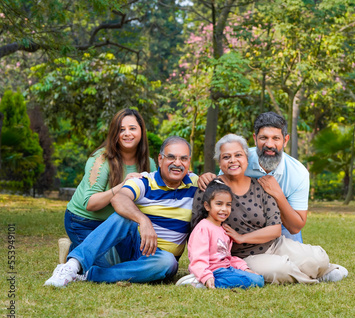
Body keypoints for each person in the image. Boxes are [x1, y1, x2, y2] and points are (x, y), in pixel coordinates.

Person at [44, 136, 198, 287]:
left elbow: (219, 189)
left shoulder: (196, 183)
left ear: (189, 161)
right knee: (123, 217)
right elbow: (119, 198)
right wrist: (144, 220)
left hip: (159, 260)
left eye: (183, 159)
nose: (177, 163)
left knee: (167, 262)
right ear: (160, 159)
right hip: (133, 246)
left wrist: (210, 177)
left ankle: (89, 274)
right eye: (171, 157)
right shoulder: (145, 181)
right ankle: (71, 266)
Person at [193, 134, 347, 284]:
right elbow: (197, 230)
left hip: (274, 244)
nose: (233, 160)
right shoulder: (210, 188)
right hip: (242, 256)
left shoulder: (261, 186)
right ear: (219, 163)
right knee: (281, 269)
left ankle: (321, 268)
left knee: (319, 258)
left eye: (238, 155)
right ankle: (317, 277)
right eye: (226, 157)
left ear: (246, 158)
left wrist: (242, 237)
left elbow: (275, 229)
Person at [64, 108, 156, 266]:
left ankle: (95, 248)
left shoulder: (149, 163)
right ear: (115, 134)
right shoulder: (101, 159)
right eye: (121, 130)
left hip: (118, 224)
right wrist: (122, 186)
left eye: (132, 128)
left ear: (142, 131)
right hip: (83, 221)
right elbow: (90, 203)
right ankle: (74, 248)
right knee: (104, 267)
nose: (127, 133)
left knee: (136, 260)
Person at [199, 112, 307, 243]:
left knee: (298, 258)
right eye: (264, 138)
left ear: (285, 140)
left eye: (276, 138)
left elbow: (295, 227)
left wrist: (278, 194)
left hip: (280, 223)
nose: (269, 144)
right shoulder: (238, 159)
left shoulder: (298, 173)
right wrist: (208, 178)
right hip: (242, 221)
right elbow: (219, 190)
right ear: (255, 139)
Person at [176, 180, 264, 289]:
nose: (224, 209)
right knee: (252, 281)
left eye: (228, 205)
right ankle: (201, 282)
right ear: (207, 206)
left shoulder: (223, 229)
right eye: (219, 204)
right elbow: (198, 258)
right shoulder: (203, 228)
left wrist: (244, 268)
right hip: (213, 271)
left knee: (258, 279)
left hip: (226, 269)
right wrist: (206, 276)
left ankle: (207, 282)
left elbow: (226, 257)